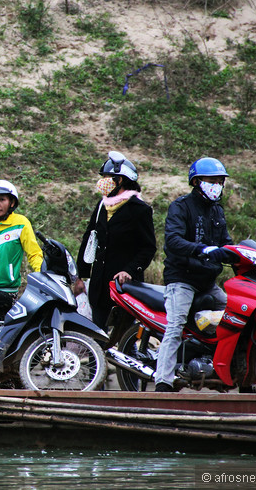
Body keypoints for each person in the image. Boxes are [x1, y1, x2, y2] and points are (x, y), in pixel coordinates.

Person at [154, 157, 232, 392]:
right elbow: (173, 241)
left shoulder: (217, 210)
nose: (216, 185)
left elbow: (226, 243)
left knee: (234, 317)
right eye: (212, 180)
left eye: (220, 181)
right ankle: (163, 381)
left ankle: (232, 372)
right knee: (175, 325)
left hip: (208, 281)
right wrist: (201, 249)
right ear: (197, 182)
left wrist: (237, 254)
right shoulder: (181, 207)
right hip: (182, 279)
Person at [77, 151, 156, 329]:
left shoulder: (139, 209)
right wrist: (80, 275)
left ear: (120, 180)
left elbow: (148, 248)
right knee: (97, 335)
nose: (102, 181)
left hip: (124, 286)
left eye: (107, 177)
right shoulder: (101, 205)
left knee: (123, 334)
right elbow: (89, 238)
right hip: (99, 285)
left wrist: (129, 271)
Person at [0, 179, 44, 295]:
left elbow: (33, 253)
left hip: (7, 290)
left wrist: (43, 276)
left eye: (2, 199)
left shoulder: (20, 224)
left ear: (12, 203)